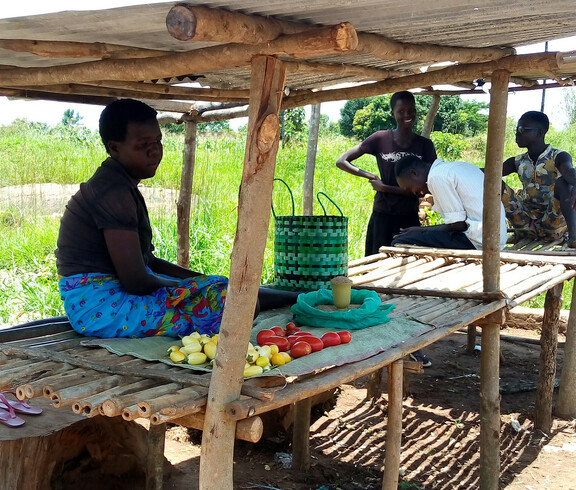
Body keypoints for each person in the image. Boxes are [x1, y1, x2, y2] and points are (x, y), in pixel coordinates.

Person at [56, 99, 296, 339]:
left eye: (158, 141)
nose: (155, 150)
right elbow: (136, 281)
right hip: (101, 307)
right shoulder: (112, 192)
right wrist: (198, 287)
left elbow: (148, 261)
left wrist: (201, 280)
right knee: (232, 304)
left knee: (226, 290)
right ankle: (297, 297)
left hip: (110, 295)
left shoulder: (120, 186)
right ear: (114, 148)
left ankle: (298, 296)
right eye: (143, 145)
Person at [336, 91, 437, 255]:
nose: (407, 115)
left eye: (411, 110)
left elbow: (428, 187)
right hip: (383, 214)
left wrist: (385, 188)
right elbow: (342, 161)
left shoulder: (424, 145)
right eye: (401, 111)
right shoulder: (380, 139)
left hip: (409, 216)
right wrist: (370, 176)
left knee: (407, 263)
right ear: (392, 113)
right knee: (376, 261)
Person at [392, 155, 507, 250]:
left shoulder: (436, 177)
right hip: (495, 237)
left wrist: (420, 229)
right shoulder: (451, 168)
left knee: (401, 241)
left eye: (409, 188)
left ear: (414, 173)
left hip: (479, 241)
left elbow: (458, 225)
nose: (413, 192)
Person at [501, 111, 576, 247]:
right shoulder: (517, 161)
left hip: (552, 225)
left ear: (539, 133)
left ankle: (574, 237)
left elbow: (569, 171)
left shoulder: (558, 156)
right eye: (516, 129)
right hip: (524, 224)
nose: (517, 133)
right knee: (493, 182)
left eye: (522, 129)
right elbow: (489, 173)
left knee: (563, 183)